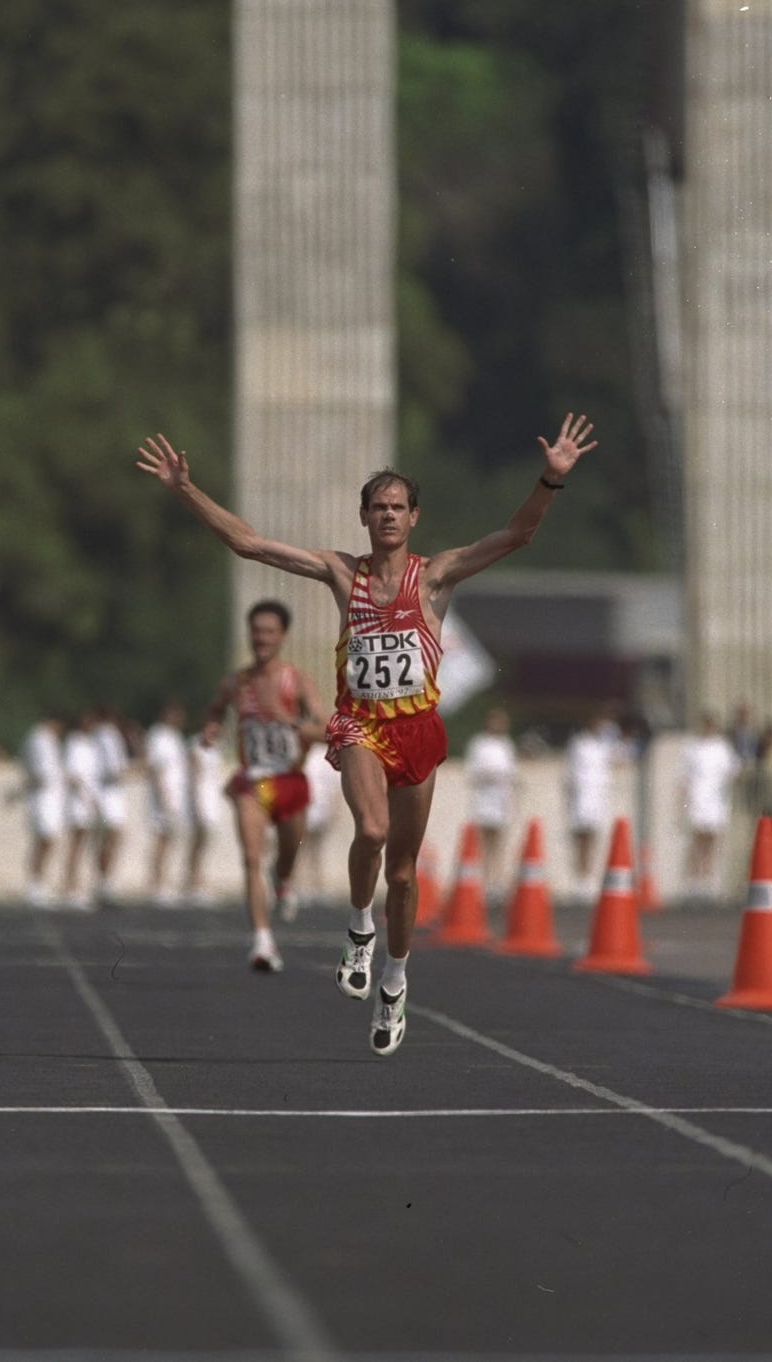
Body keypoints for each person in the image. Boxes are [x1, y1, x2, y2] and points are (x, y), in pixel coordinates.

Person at [137, 412, 596, 1055]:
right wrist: (186, 490)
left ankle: (395, 981)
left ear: (414, 518)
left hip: (419, 729)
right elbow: (249, 544)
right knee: (372, 831)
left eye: (398, 506)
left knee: (404, 875)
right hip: (361, 726)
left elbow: (517, 535)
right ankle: (358, 929)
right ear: (363, 516)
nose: (387, 515)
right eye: (377, 506)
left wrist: (550, 480)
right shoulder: (339, 572)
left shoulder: (436, 576)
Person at [200, 600, 328, 973]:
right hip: (252, 781)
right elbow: (215, 709)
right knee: (252, 857)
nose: (262, 638)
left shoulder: (297, 681)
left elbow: (325, 730)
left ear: (282, 636)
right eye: (256, 631)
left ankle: (284, 880)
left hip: (290, 781)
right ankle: (262, 940)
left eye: (270, 631)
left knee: (287, 855)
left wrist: (287, 721)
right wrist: (211, 727)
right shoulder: (237, 683)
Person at [678, 712, 739, 901]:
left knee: (712, 840)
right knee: (697, 840)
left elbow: (733, 771)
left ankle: (709, 881)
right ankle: (693, 882)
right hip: (697, 799)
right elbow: (684, 777)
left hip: (715, 800)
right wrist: (682, 802)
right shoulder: (692, 747)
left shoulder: (722, 747)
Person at [463, 705, 518, 898]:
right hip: (484, 798)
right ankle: (483, 881)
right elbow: (472, 772)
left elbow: (511, 774)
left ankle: (496, 881)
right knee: (483, 841)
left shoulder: (507, 745)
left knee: (498, 842)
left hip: (501, 800)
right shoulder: (478, 744)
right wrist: (490, 776)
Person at [563, 706, 617, 903]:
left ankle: (589, 881)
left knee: (593, 839)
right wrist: (570, 799)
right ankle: (579, 881)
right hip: (581, 797)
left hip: (597, 798)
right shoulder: (579, 744)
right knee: (581, 840)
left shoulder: (604, 745)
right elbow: (570, 774)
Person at [144, 700, 191, 905]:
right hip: (163, 797)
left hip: (177, 796)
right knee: (160, 840)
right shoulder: (158, 736)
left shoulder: (175, 737)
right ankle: (156, 885)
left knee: (170, 840)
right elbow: (156, 768)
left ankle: (165, 883)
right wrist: (164, 796)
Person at [18, 713, 66, 906]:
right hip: (41, 797)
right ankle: (34, 886)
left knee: (48, 840)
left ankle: (38, 884)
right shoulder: (38, 738)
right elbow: (38, 771)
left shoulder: (48, 740)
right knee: (43, 840)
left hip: (51, 798)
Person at [62, 708, 102, 908]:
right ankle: (70, 888)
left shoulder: (91, 745)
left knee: (83, 846)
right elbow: (74, 775)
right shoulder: (74, 742)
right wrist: (87, 798)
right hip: (78, 801)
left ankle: (77, 886)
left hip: (89, 800)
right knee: (75, 846)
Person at [92, 704, 130, 903]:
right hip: (107, 795)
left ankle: (104, 882)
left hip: (109, 794)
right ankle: (103, 884)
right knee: (111, 838)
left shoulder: (99, 735)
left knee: (110, 839)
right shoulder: (107, 735)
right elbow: (114, 769)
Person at [184, 731, 224, 904]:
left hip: (211, 797)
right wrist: (196, 800)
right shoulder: (195, 746)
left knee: (205, 842)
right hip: (200, 799)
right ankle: (192, 882)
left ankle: (198, 880)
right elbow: (193, 776)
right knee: (197, 841)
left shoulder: (216, 747)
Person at [300, 740, 342, 900]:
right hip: (308, 807)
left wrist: (333, 810)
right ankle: (303, 886)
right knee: (304, 849)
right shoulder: (309, 753)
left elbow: (334, 785)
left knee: (314, 850)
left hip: (319, 808)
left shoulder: (324, 754)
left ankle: (316, 886)